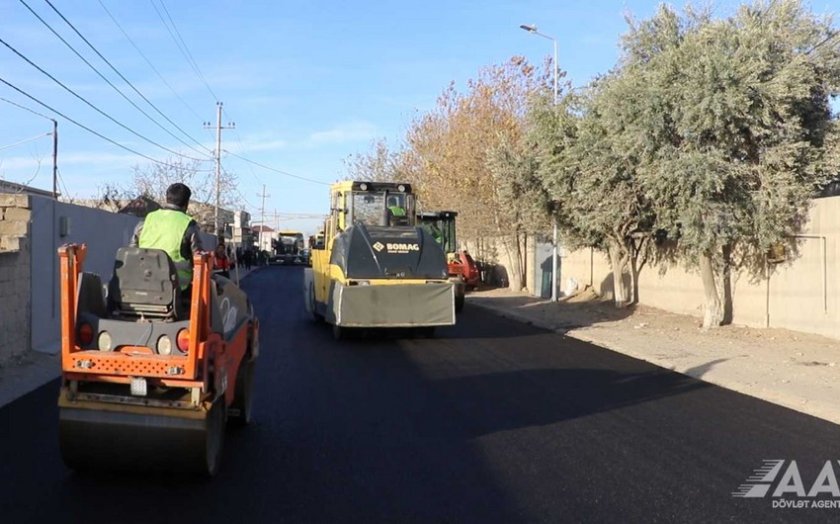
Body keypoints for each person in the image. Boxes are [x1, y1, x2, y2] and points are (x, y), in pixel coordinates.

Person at [130, 183, 203, 292]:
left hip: (144, 281)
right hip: (177, 287)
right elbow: (198, 256)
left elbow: (132, 250)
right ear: (186, 203)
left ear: (167, 199)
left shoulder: (147, 220)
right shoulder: (188, 224)